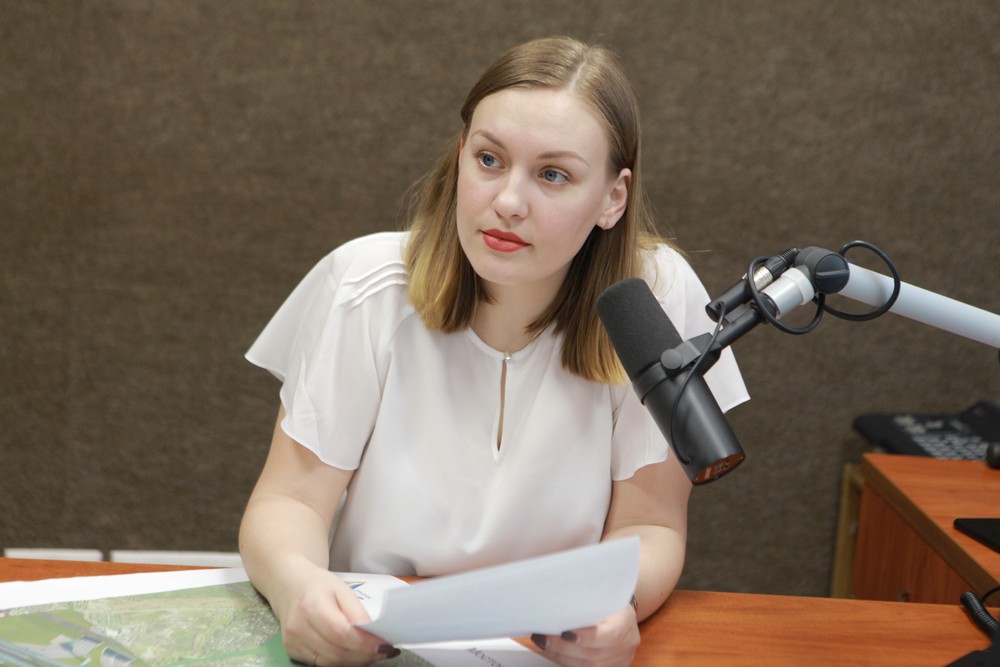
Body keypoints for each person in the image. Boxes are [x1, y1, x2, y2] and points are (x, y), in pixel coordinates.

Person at [239, 36, 749, 667]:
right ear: (460, 156)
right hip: (375, 644)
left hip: (545, 648)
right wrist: (299, 589)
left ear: (612, 199)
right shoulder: (364, 283)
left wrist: (614, 609)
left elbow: (652, 526)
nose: (507, 202)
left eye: (553, 175)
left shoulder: (656, 298)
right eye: (489, 160)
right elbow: (289, 501)